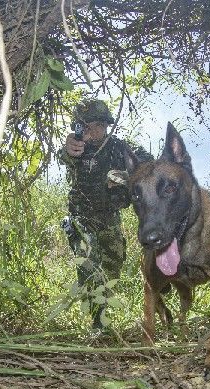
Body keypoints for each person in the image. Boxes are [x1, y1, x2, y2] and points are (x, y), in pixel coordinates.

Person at [58, 99, 152, 330]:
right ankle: (97, 322)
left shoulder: (120, 148)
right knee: (88, 261)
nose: (89, 131)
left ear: (105, 125)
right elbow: (63, 157)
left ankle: (102, 311)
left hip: (109, 217)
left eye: (95, 125)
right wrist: (69, 149)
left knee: (112, 265)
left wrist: (122, 175)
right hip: (81, 217)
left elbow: (149, 166)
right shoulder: (76, 148)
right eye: (83, 126)